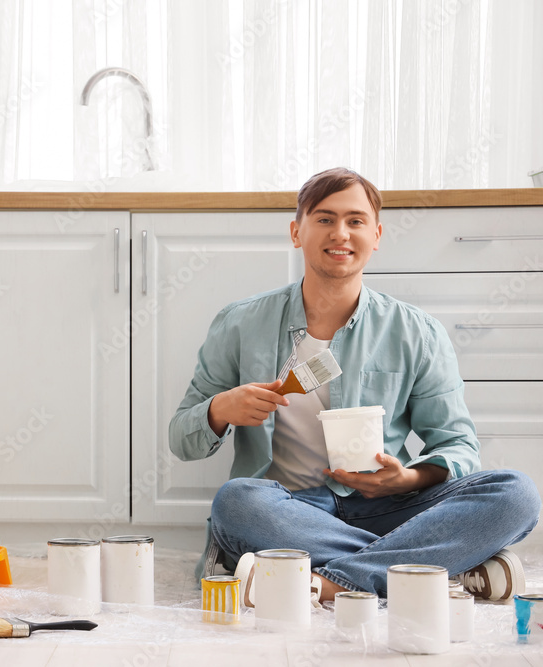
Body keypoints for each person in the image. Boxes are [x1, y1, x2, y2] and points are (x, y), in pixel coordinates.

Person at [169, 167, 540, 604]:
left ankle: (326, 581)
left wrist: (407, 478)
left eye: (355, 221)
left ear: (377, 234)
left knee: (516, 492)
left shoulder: (417, 332)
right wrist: (218, 411)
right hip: (288, 512)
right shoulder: (239, 323)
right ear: (296, 232)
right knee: (236, 502)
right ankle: (430, 569)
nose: (340, 233)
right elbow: (181, 440)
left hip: (391, 511)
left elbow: (459, 445)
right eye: (324, 219)